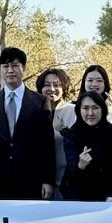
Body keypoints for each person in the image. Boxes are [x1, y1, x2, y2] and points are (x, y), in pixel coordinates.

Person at [0, 48, 55, 200]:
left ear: (23, 68)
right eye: (5, 66)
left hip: (30, 178)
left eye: (15, 66)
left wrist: (48, 180)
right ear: (0, 70)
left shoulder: (40, 101)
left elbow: (47, 144)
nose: (10, 70)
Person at [62, 92, 112, 202]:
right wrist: (80, 165)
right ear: (79, 110)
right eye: (85, 108)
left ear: (103, 109)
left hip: (109, 197)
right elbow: (71, 171)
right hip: (79, 197)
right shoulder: (72, 134)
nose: (90, 113)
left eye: (95, 108)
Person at [37, 67, 77, 195]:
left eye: (57, 85)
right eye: (47, 85)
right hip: (39, 180)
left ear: (64, 88)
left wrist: (65, 132)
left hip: (66, 181)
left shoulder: (73, 111)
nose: (52, 89)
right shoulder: (34, 111)